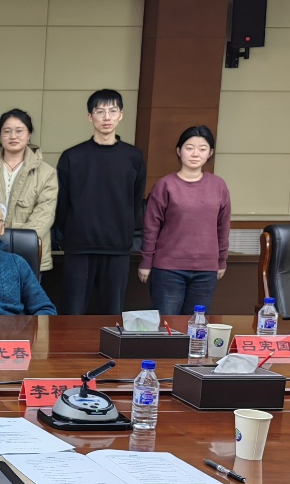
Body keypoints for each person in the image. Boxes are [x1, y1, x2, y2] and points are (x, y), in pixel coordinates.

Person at [56, 89, 147, 315]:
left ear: (121, 115)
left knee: (112, 314)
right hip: (79, 247)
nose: (107, 117)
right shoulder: (72, 156)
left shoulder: (133, 157)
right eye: (100, 111)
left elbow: (135, 201)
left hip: (117, 248)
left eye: (112, 111)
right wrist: (65, 237)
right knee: (72, 314)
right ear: (90, 117)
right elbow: (62, 203)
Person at [138, 125, 230, 315]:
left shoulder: (218, 186)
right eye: (189, 148)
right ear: (179, 151)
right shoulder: (165, 185)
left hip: (206, 270)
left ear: (210, 153)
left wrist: (221, 260)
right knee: (167, 325)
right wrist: (146, 261)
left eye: (202, 149)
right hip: (168, 269)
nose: (195, 154)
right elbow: (151, 227)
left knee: (196, 325)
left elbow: (223, 226)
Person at [0, 109, 58, 271]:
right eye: (7, 131)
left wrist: (15, 243)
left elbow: (44, 214)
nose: (13, 136)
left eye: (19, 131)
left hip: (27, 253)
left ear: (29, 134)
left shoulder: (46, 172)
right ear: (0, 135)